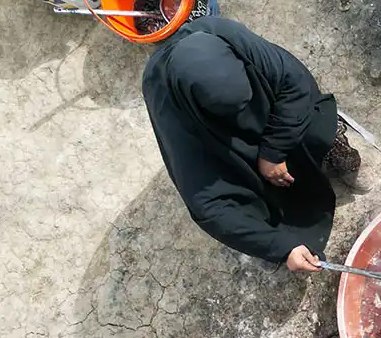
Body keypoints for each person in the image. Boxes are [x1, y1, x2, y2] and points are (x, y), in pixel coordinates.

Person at [142, 17, 362, 272]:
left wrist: (272, 152)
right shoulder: (168, 105)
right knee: (254, 209)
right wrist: (281, 247)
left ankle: (331, 152)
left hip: (274, 115)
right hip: (227, 146)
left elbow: (296, 86)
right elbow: (207, 205)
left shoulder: (223, 34)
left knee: (314, 126)